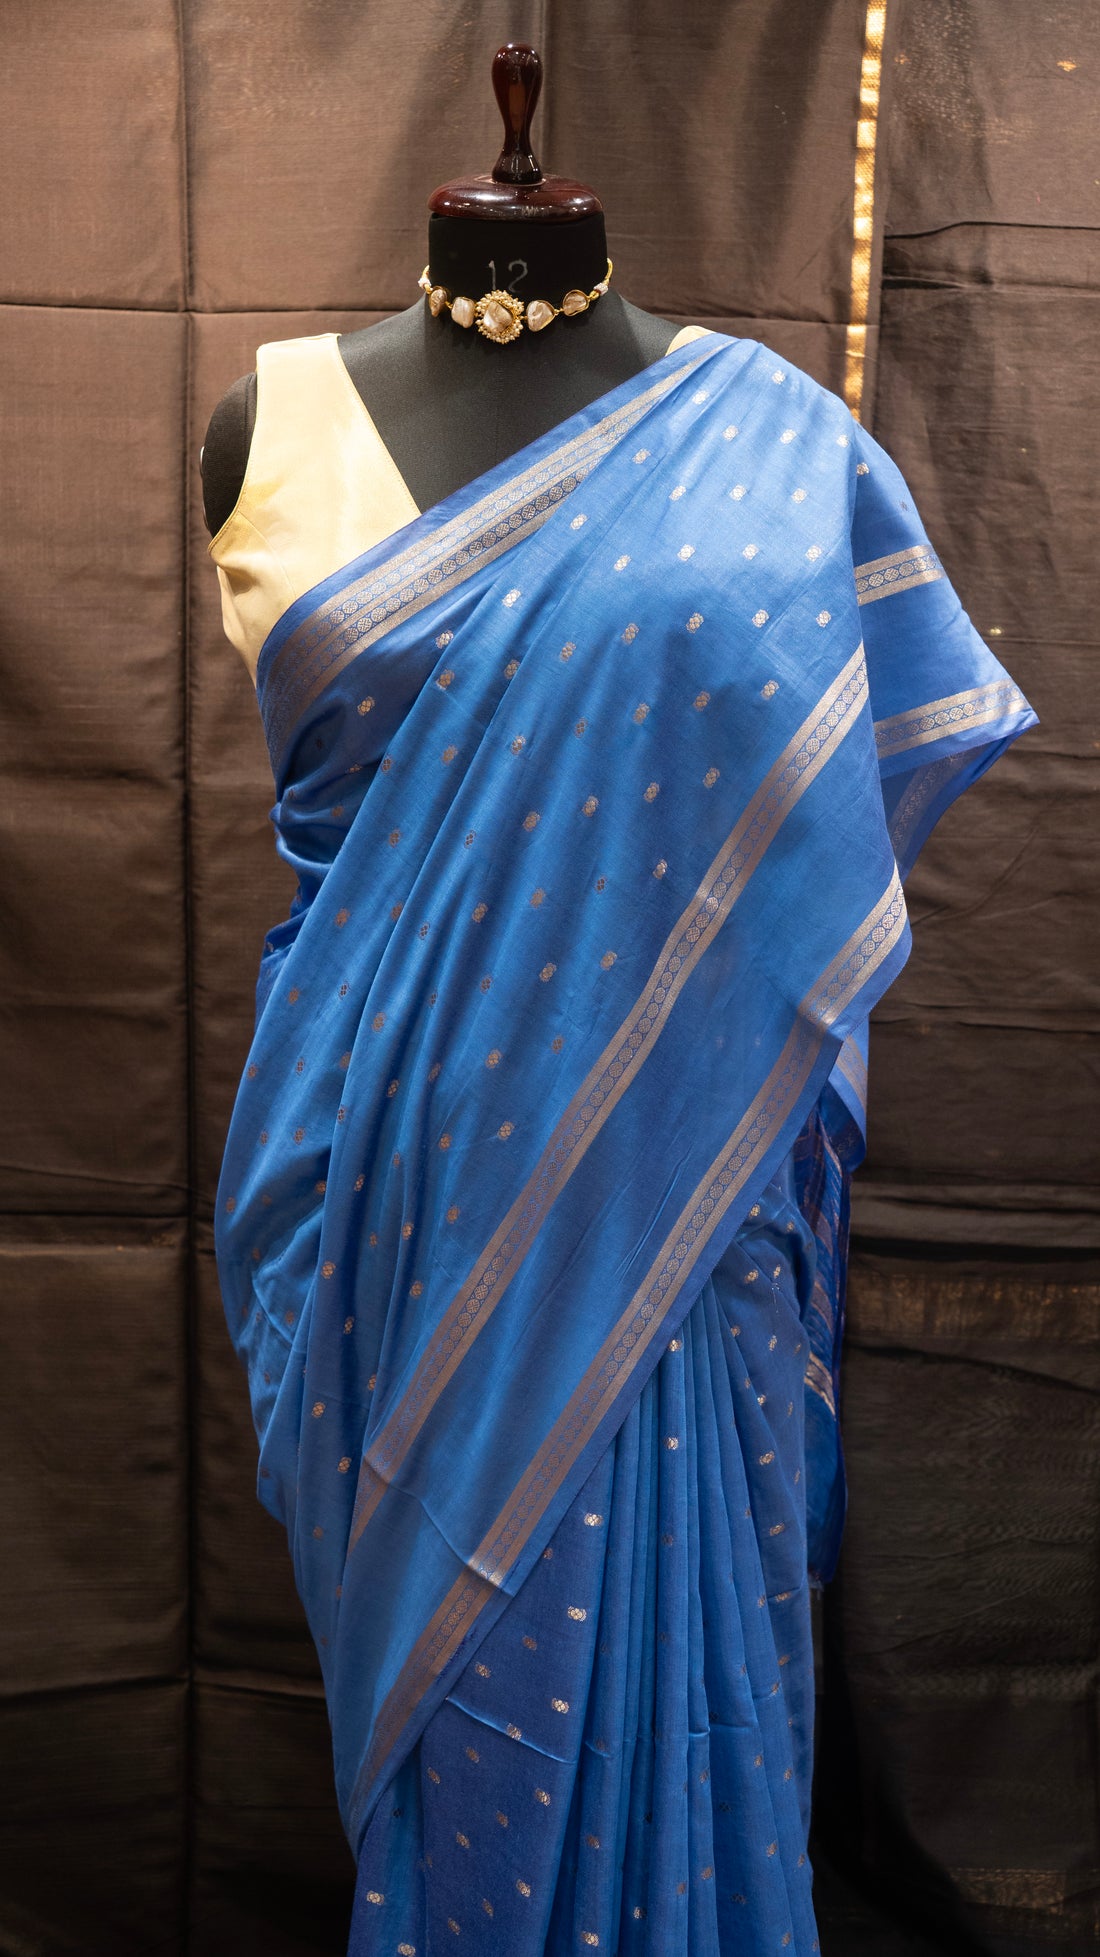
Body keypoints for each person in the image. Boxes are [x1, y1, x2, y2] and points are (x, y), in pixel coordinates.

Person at [204, 125, 1036, 1957]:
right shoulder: (260, 431)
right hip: (376, 1218)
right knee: (452, 1724)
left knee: (675, 1683)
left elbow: (826, 833)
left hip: (679, 1214)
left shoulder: (780, 450)